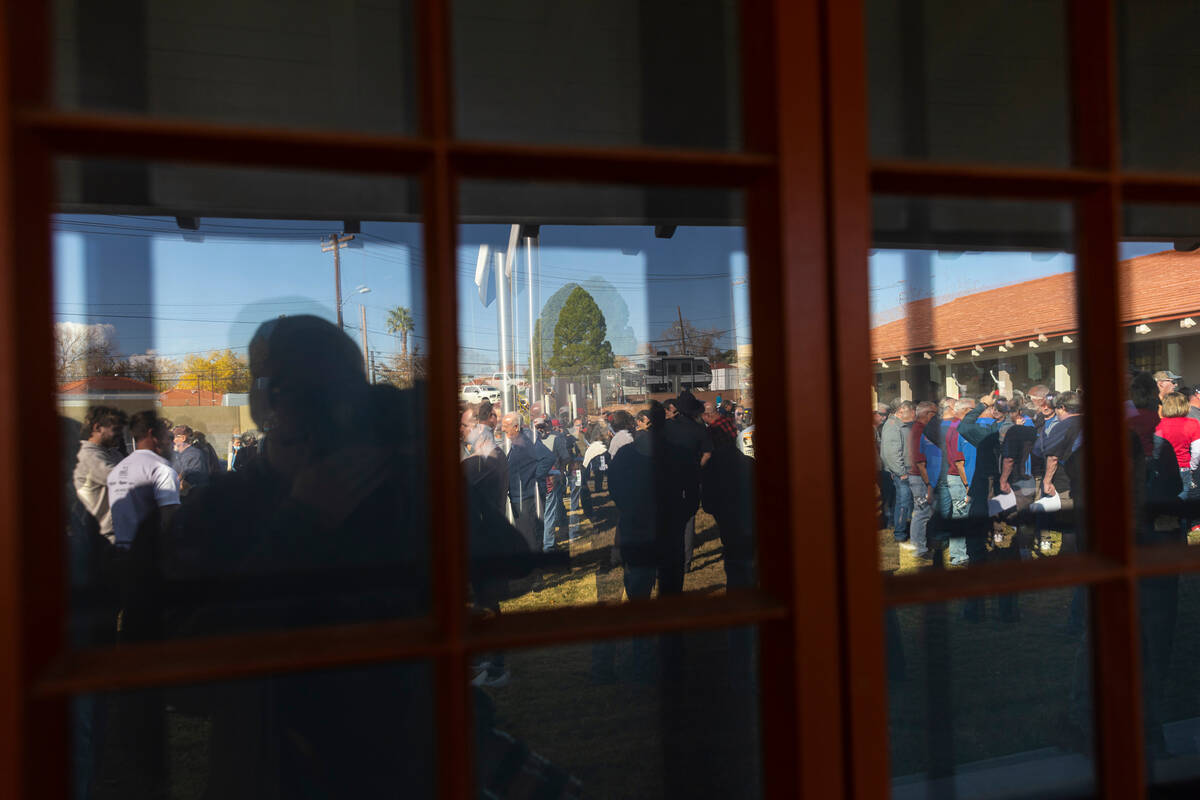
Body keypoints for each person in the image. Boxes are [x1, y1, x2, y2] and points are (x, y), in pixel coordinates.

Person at [106, 411, 180, 552]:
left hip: (120, 553)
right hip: (149, 556)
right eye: (168, 437)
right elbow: (170, 521)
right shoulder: (162, 471)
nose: (171, 443)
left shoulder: (117, 470)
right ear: (153, 436)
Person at [73, 406, 129, 544]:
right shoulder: (88, 455)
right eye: (115, 430)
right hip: (103, 537)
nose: (120, 435)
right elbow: (125, 480)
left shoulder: (113, 453)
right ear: (97, 427)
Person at [503, 412, 554, 553]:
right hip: (520, 498)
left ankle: (535, 573)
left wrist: (534, 476)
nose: (502, 429)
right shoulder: (517, 443)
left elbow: (549, 458)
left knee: (531, 539)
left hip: (528, 499)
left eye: (506, 425)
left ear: (516, 427)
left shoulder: (527, 442)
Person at [880, 400, 915, 543]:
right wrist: (902, 473)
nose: (914, 415)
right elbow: (891, 453)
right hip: (901, 471)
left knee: (902, 502)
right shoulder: (892, 426)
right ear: (901, 411)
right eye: (911, 412)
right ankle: (899, 534)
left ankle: (899, 528)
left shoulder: (901, 425)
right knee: (903, 503)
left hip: (906, 469)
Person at [169, 424, 210, 495]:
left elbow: (187, 483)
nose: (171, 441)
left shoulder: (194, 455)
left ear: (183, 438)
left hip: (192, 499)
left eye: (173, 437)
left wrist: (168, 493)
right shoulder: (176, 454)